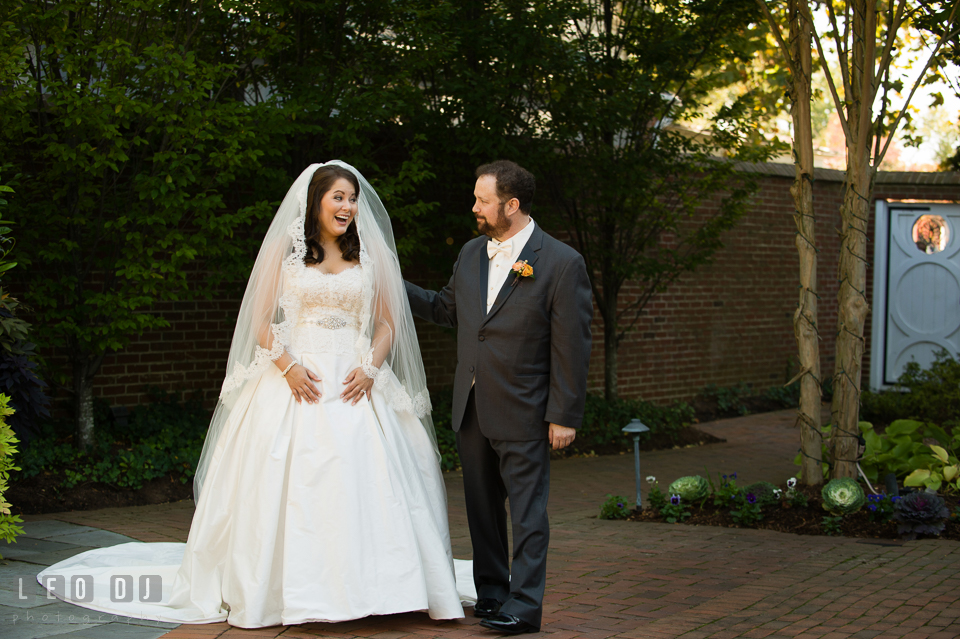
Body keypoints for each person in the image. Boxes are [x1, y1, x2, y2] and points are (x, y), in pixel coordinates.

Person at [37, 161, 474, 627]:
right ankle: (291, 589)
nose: (347, 206)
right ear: (316, 203)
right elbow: (259, 321)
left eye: (352, 198)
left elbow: (387, 321)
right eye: (338, 197)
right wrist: (286, 366)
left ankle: (383, 586)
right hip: (296, 379)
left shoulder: (371, 255)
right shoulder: (286, 252)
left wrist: (370, 367)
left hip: (356, 383)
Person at [405, 160, 593, 635]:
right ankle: (491, 593)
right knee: (481, 508)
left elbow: (571, 344)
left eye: (482, 201)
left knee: (528, 513)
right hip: (471, 406)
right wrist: (389, 281)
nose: (474, 208)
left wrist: (564, 414)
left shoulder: (562, 262)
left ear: (511, 205)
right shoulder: (471, 253)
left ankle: (525, 606)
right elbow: (446, 308)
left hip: (525, 409)